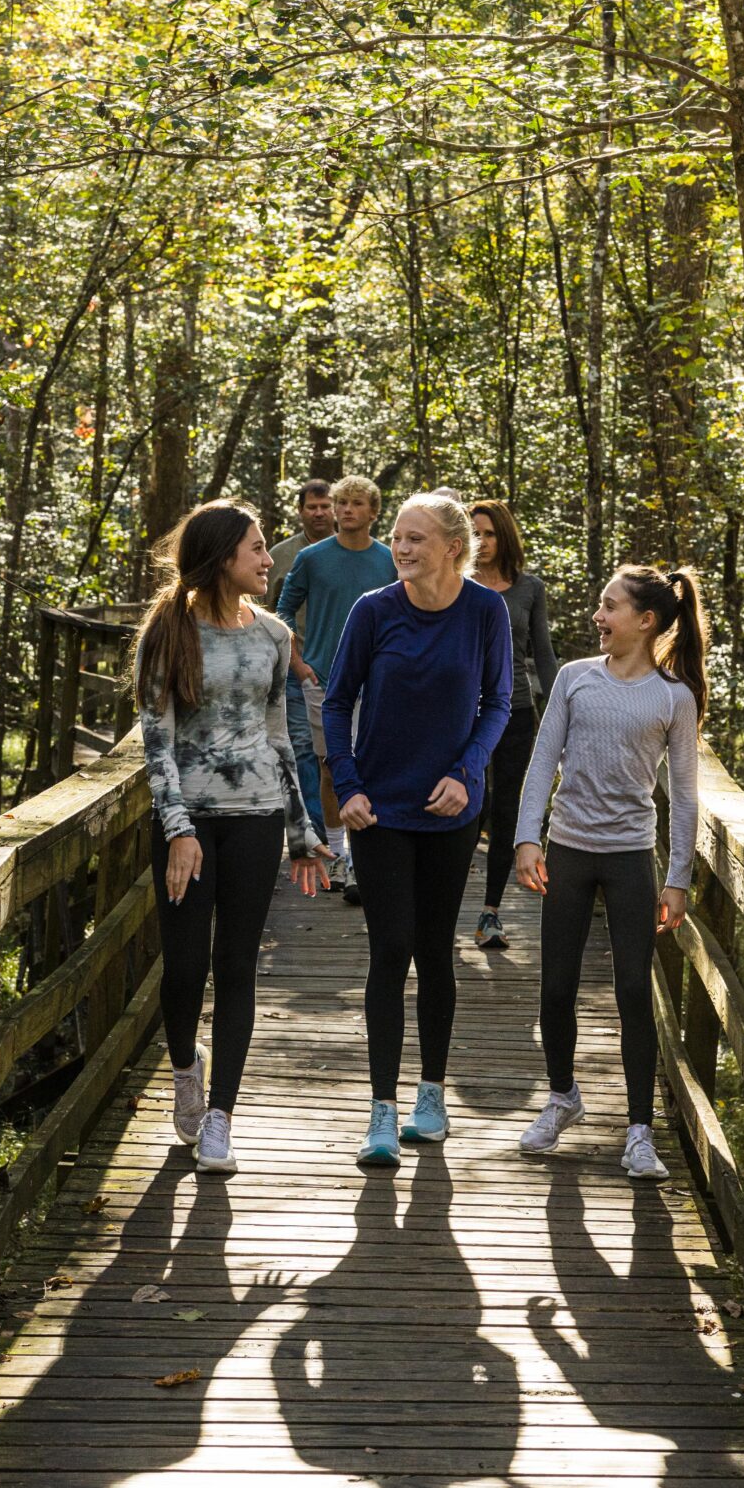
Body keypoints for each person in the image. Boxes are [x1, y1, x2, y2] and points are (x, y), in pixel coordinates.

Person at [135, 500, 331, 1174]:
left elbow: (282, 737)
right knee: (186, 967)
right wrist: (178, 829)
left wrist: (304, 828)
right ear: (224, 557)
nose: (266, 558)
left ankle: (220, 1117)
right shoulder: (167, 631)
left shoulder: (274, 635)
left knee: (239, 967)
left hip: (257, 820)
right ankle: (187, 1070)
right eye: (256, 548)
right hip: (187, 824)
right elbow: (155, 743)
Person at [323, 494, 512, 1167]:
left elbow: (498, 703)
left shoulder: (485, 611)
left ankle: (430, 1097)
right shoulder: (374, 610)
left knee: (435, 950)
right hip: (379, 808)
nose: (401, 549)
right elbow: (338, 699)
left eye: (415, 539)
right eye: (398, 538)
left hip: (451, 809)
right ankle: (380, 1111)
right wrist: (347, 787)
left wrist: (466, 772)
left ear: (454, 547)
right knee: (390, 947)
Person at [513, 565, 705, 1181]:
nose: (598, 616)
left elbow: (685, 794)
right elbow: (543, 762)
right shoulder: (574, 679)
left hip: (629, 859)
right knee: (556, 989)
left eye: (609, 606)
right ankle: (564, 1096)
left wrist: (677, 878)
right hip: (568, 849)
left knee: (631, 995)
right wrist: (526, 838)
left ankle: (639, 1132)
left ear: (644, 622)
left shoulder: (674, 697)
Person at [277, 475, 398, 900]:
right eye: (341, 502)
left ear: (373, 512)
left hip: (378, 680)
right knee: (331, 766)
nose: (346, 509)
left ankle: (368, 857)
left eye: (356, 503)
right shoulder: (312, 558)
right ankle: (340, 854)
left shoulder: (389, 559)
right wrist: (298, 662)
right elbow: (283, 611)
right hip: (323, 679)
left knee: (372, 765)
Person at [469, 499, 560, 948]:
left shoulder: (529, 589)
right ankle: (440, 905)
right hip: (462, 714)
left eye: (488, 533)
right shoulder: (453, 585)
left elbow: (542, 654)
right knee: (472, 802)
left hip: (516, 712)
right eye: (473, 533)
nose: (481, 542)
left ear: (504, 536)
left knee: (506, 809)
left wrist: (566, 709)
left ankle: (491, 912)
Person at [268, 481, 335, 842]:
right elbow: (267, 612)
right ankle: (319, 832)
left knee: (341, 755)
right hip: (298, 669)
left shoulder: (357, 552)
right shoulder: (280, 555)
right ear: (301, 510)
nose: (320, 513)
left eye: (326, 506)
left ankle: (347, 836)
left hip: (348, 672)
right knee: (305, 750)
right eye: (313, 506)